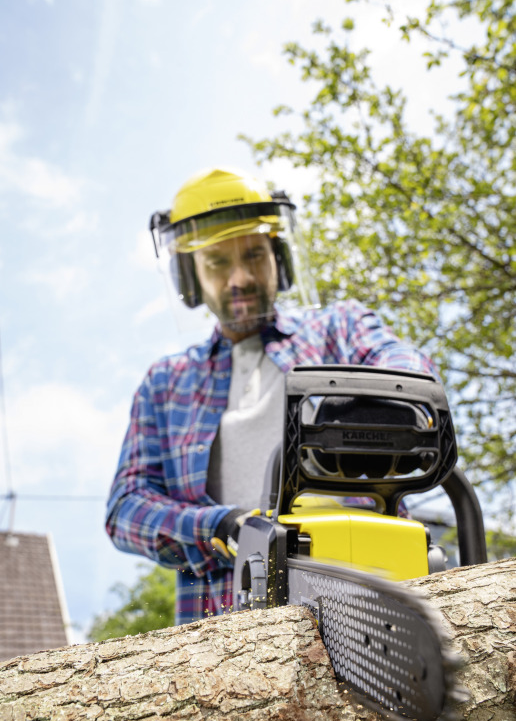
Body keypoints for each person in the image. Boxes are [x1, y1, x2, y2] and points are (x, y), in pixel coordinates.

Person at [106, 166, 438, 625]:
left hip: (370, 590)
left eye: (254, 256)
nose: (239, 277)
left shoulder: (335, 329)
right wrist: (222, 525)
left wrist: (385, 405)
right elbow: (126, 506)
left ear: (278, 260)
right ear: (190, 276)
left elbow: (408, 369)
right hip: (225, 622)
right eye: (218, 262)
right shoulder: (165, 383)